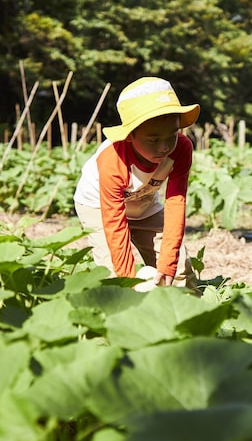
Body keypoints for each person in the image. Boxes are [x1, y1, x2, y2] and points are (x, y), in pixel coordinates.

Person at [73, 77, 200, 288]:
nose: (164, 147)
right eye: (153, 139)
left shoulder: (182, 149)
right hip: (98, 206)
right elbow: (114, 224)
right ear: (130, 135)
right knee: (113, 274)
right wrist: (128, 282)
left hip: (144, 204)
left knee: (179, 271)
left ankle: (194, 314)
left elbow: (176, 202)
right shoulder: (113, 160)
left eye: (172, 135)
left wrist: (168, 264)